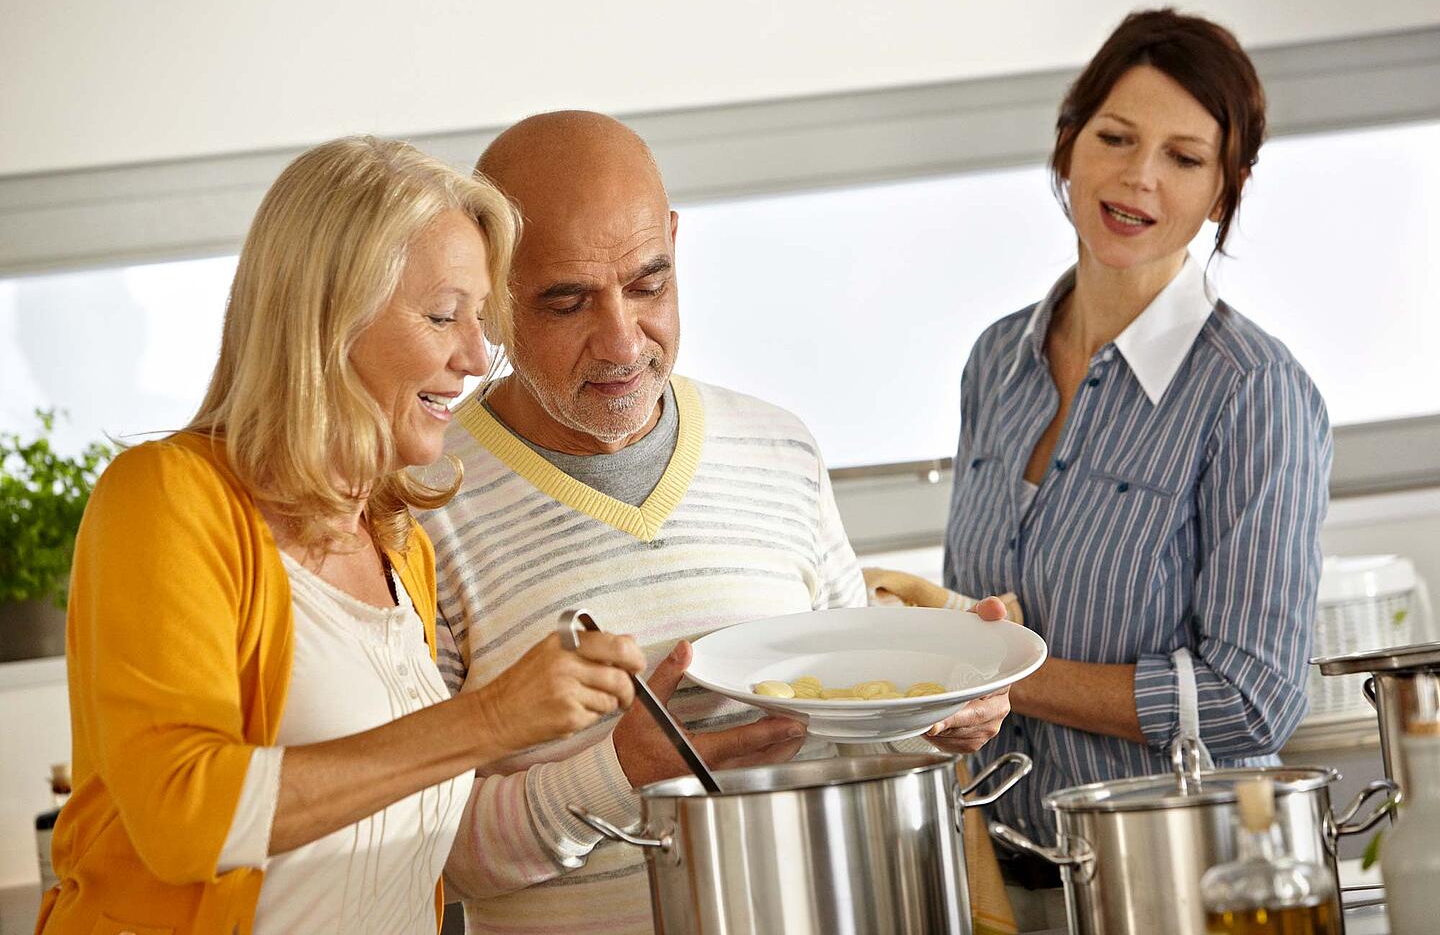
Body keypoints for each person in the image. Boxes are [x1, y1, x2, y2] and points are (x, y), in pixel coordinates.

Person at [417, 111, 1012, 934]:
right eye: (567, 302)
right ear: (492, 295)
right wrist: (619, 770)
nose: (623, 340)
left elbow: (859, 746)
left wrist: (937, 718)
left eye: (648, 283)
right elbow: (430, 852)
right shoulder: (419, 504)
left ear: (673, 242)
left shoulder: (781, 447)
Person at [37, 136, 645, 935]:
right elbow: (184, 817)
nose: (474, 356)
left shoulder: (401, 549)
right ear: (324, 319)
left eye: (479, 318)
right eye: (442, 315)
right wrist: (489, 720)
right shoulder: (167, 497)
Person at [943, 9, 1331, 928]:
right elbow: (981, 610)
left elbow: (1252, 701)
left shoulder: (1253, 392)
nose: (1139, 177)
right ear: (1068, 145)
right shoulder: (996, 361)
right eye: (1115, 137)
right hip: (1009, 883)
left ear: (1223, 194)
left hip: (1189, 891)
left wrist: (1005, 673)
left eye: (1185, 158)